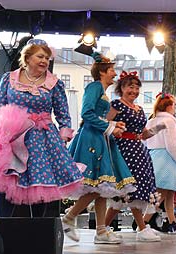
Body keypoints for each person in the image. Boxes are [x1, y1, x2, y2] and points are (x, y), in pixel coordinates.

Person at [0, 38, 83, 217]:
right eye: (40, 56)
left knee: (40, 185)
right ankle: (5, 230)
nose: (44, 61)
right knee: (9, 182)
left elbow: (63, 113)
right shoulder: (9, 79)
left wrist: (64, 134)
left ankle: (37, 232)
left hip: (43, 139)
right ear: (27, 58)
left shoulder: (54, 83)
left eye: (47, 58)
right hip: (13, 137)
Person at [63, 52, 137, 244]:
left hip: (99, 138)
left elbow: (95, 115)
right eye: (111, 70)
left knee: (103, 186)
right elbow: (86, 113)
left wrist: (114, 125)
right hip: (91, 139)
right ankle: (69, 218)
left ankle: (101, 230)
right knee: (97, 187)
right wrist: (110, 127)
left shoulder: (102, 91)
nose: (114, 73)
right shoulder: (95, 86)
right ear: (103, 72)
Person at [103, 71, 160, 242]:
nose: (134, 90)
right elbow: (104, 124)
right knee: (128, 188)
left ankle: (104, 227)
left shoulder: (139, 109)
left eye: (136, 87)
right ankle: (141, 228)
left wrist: (160, 127)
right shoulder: (116, 105)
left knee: (132, 189)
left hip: (138, 150)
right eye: (130, 87)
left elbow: (143, 134)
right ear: (121, 88)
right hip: (123, 150)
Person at [145, 93, 176, 234]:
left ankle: (172, 224)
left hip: (154, 157)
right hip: (167, 159)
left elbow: (146, 140)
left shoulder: (151, 121)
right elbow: (172, 146)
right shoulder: (170, 121)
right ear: (169, 106)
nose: (175, 108)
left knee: (167, 195)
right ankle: (142, 224)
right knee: (161, 195)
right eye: (174, 105)